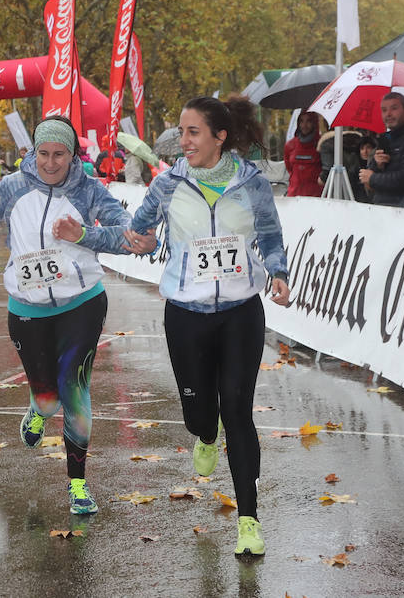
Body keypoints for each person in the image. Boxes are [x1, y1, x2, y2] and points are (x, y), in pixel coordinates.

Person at [0, 116, 154, 515]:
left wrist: (85, 236)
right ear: (33, 152)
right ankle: (38, 409)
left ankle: (78, 485)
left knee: (75, 391)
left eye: (60, 155)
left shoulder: (90, 190)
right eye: (44, 154)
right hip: (27, 308)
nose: (51, 163)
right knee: (47, 398)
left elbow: (124, 235)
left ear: (73, 156)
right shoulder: (12, 187)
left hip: (82, 304)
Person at [129, 96, 290, 557]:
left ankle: (248, 521)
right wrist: (138, 240)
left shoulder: (252, 183)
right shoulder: (167, 184)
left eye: (193, 132)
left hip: (241, 312)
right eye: (181, 133)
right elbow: (141, 230)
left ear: (220, 136)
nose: (184, 141)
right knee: (201, 415)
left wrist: (278, 274)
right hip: (186, 315)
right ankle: (204, 433)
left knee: (238, 410)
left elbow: (272, 237)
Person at [358, 92, 404, 208]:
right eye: (384, 110)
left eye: (394, 108)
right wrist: (378, 166)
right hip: (386, 210)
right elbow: (369, 181)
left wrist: (373, 178)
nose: (388, 114)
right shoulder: (387, 139)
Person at [284, 111, 323, 197]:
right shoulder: (290, 145)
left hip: (316, 197)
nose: (304, 125)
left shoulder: (322, 143)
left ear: (314, 123)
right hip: (294, 195)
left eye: (308, 121)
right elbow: (289, 168)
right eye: (301, 121)